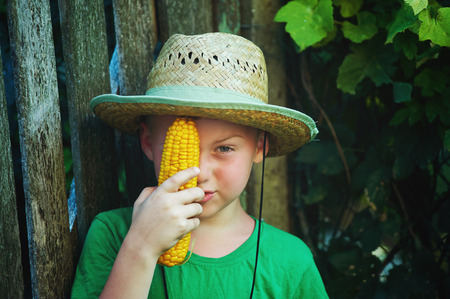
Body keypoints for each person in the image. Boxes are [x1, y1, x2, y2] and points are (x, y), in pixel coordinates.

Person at [71, 32, 327, 298]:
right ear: (147, 142)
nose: (200, 173)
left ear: (260, 146)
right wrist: (141, 247)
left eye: (224, 148)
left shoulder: (291, 261)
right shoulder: (113, 235)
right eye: (180, 145)